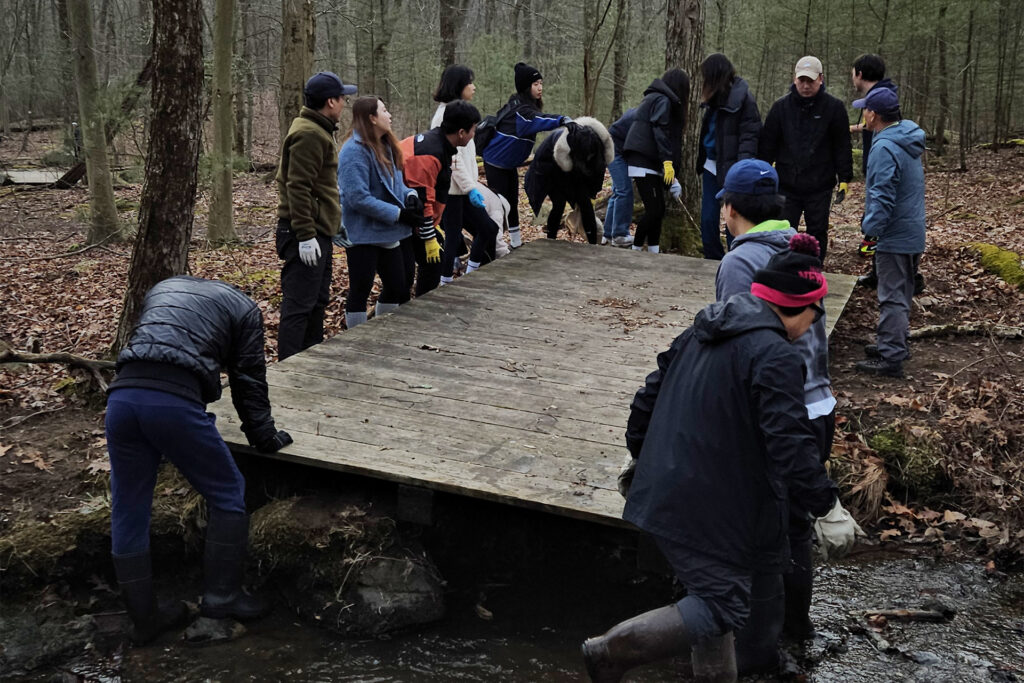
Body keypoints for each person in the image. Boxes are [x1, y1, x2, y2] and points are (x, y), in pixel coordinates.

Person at [582, 240, 859, 683]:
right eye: (816, 314)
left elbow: (645, 400)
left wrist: (641, 460)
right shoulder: (776, 355)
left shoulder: (702, 330)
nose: (813, 327)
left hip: (676, 490)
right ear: (800, 307)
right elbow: (790, 443)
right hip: (702, 505)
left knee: (714, 593)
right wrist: (827, 507)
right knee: (721, 605)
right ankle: (608, 653)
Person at [106, 276, 292, 644]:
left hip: (121, 400)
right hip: (173, 404)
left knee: (128, 508)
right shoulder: (245, 310)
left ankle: (145, 620)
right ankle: (221, 603)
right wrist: (264, 437)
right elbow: (248, 380)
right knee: (228, 491)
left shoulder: (163, 288)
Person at [715, 160, 842, 658]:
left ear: (730, 208)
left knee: (768, 527)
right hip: (820, 405)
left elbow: (738, 343)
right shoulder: (800, 248)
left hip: (778, 411)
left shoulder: (740, 263)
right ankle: (797, 630)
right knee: (796, 525)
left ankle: (762, 646)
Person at [275, 71, 357, 361]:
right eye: (342, 98)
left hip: (318, 230)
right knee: (299, 305)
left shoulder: (318, 129)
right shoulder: (309, 134)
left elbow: (321, 185)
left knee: (316, 302)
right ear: (330, 101)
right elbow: (298, 187)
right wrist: (306, 235)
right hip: (303, 232)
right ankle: (288, 368)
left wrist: (332, 223)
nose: (344, 103)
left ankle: (308, 361)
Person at [853, 88, 926, 378]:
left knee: (892, 294)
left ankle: (891, 356)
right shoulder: (905, 138)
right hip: (912, 230)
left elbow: (882, 195)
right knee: (902, 291)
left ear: (874, 115)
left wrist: (870, 233)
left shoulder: (884, 146)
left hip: (894, 234)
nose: (863, 114)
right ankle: (895, 342)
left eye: (865, 109)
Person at [337, 96, 423, 329]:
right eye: (384, 111)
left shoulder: (386, 146)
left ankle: (381, 331)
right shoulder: (352, 152)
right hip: (362, 233)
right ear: (372, 118)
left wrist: (411, 196)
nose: (389, 115)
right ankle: (356, 338)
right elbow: (358, 198)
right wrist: (398, 214)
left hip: (387, 230)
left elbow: (397, 185)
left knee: (397, 285)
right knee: (361, 288)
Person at [758, 56, 853, 263]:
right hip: (786, 183)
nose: (806, 85)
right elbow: (767, 146)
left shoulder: (834, 108)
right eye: (802, 80)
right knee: (783, 230)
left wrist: (845, 177)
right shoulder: (780, 108)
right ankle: (783, 268)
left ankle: (813, 270)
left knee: (817, 231)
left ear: (821, 79)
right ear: (795, 79)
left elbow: (842, 145)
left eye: (810, 80)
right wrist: (762, 176)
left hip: (820, 184)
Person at [482, 62, 570, 249]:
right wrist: (561, 120)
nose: (540, 88)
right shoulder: (521, 112)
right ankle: (493, 245)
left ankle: (515, 243)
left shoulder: (524, 106)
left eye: (541, 83)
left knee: (512, 202)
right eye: (535, 84)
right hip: (495, 162)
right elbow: (538, 120)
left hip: (508, 165)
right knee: (499, 205)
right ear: (525, 87)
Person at [399, 100, 482, 295]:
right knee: (417, 270)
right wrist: (429, 237)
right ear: (461, 132)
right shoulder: (430, 153)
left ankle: (418, 302)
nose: (474, 134)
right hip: (404, 216)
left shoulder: (442, 146)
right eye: (473, 130)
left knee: (432, 264)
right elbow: (422, 199)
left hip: (414, 217)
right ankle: (412, 306)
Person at [430, 65, 500, 285]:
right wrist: (470, 188)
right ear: (458, 85)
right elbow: (453, 160)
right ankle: (446, 282)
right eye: (470, 82)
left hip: (464, 188)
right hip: (453, 189)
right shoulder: (444, 116)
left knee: (485, 229)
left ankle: (468, 275)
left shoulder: (460, 111)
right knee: (454, 237)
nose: (473, 87)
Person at [696, 54, 761, 260]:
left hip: (733, 169)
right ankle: (712, 258)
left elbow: (749, 137)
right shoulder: (713, 100)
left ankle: (736, 259)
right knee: (708, 218)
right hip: (710, 165)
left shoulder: (744, 100)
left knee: (734, 218)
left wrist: (742, 170)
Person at [619, 68, 690, 254]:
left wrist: (672, 179)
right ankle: (635, 249)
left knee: (659, 210)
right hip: (643, 163)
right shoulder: (662, 100)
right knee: (654, 211)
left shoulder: (656, 98)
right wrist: (667, 163)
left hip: (648, 161)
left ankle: (654, 251)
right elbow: (660, 131)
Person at [523, 117, 613, 245]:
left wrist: (590, 192)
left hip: (573, 169)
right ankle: (550, 240)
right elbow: (554, 171)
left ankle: (593, 244)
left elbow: (597, 172)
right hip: (551, 169)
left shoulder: (597, 146)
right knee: (559, 203)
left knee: (586, 204)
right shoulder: (563, 147)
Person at [603, 107, 637, 247]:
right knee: (624, 190)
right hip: (613, 150)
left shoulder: (642, 114)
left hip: (619, 149)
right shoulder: (640, 118)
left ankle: (608, 234)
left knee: (618, 191)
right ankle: (620, 234)